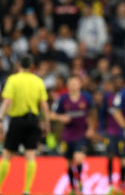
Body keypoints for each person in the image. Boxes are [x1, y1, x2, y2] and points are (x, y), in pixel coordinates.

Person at [0, 55, 50, 195]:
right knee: (31, 155)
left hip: (17, 120)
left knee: (7, 155)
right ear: (32, 66)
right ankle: (27, 190)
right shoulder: (38, 81)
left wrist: (1, 119)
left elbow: (7, 101)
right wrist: (46, 122)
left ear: (19, 65)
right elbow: (44, 105)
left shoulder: (13, 80)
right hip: (33, 120)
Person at [51, 76, 97, 194]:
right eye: (71, 83)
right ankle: (72, 186)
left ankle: (79, 183)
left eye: (75, 83)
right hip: (68, 134)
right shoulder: (63, 99)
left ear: (80, 85)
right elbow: (52, 114)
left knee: (79, 158)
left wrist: (91, 128)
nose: (73, 86)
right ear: (68, 85)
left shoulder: (86, 98)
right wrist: (61, 117)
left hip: (81, 133)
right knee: (70, 162)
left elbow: (92, 113)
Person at [98, 76, 124, 193]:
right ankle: (110, 181)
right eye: (116, 83)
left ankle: (122, 182)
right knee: (110, 156)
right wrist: (101, 130)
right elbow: (102, 114)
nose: (118, 85)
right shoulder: (108, 97)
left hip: (122, 132)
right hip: (110, 132)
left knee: (123, 158)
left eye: (120, 83)